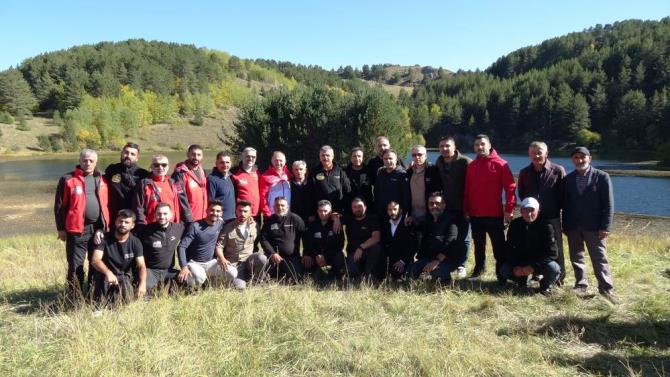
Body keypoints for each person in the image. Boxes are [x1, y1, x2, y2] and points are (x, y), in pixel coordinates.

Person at [54, 148, 110, 299]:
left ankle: (93, 295)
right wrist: (61, 229)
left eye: (91, 160)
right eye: (85, 160)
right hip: (76, 230)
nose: (88, 163)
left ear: (96, 162)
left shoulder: (102, 178)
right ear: (79, 161)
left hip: (98, 229)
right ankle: (75, 297)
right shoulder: (67, 179)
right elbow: (60, 206)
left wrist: (104, 228)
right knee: (75, 265)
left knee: (96, 263)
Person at [563, 147, 616, 300]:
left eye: (582, 157)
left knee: (599, 258)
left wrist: (605, 227)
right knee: (576, 257)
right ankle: (581, 285)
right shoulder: (568, 180)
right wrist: (566, 225)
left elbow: (608, 204)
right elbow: (566, 205)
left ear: (590, 159)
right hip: (573, 226)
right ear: (572, 160)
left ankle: (606, 289)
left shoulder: (602, 177)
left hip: (595, 227)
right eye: (576, 157)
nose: (579, 160)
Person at [463, 134, 516, 280]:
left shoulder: (501, 164)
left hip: (495, 215)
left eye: (482, 144)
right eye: (476, 145)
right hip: (475, 214)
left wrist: (509, 210)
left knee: (498, 248)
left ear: (489, 145)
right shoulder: (472, 166)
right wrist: (466, 209)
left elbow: (510, 188)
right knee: (478, 246)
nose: (479, 147)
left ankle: (502, 274)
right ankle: (479, 270)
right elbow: (467, 190)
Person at [517, 141, 567, 284]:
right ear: (529, 154)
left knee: (556, 247)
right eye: (533, 153)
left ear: (546, 153)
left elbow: (563, 195)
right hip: (532, 218)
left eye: (539, 152)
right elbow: (522, 194)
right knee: (533, 246)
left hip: (552, 216)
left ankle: (559, 278)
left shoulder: (558, 170)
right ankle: (536, 273)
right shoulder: (524, 172)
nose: (536, 155)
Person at [500, 197, 561, 294]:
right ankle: (522, 280)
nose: (528, 214)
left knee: (554, 268)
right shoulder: (515, 224)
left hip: (539, 262)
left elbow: (553, 253)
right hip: (521, 261)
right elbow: (509, 248)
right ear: (521, 211)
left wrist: (533, 267)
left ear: (538, 210)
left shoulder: (546, 226)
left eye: (532, 210)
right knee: (504, 270)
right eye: (525, 210)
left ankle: (545, 285)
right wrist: (516, 266)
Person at [90, 209, 146, 307]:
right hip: (105, 275)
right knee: (100, 303)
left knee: (127, 304)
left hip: (123, 276)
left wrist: (142, 284)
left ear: (132, 225)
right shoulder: (104, 238)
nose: (123, 224)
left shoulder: (136, 242)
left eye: (127, 222)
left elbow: (141, 265)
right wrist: (108, 273)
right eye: (120, 221)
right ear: (116, 222)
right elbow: (95, 260)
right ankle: (98, 307)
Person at [435, 136, 471, 279]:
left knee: (464, 237)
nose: (444, 149)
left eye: (447, 146)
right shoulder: (439, 162)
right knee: (450, 236)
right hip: (448, 207)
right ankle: (450, 261)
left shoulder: (465, 162)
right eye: (442, 146)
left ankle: (462, 265)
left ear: (454, 147)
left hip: (464, 206)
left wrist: (470, 206)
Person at [176, 200, 234, 288]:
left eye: (218, 211)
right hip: (194, 263)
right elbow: (181, 246)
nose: (214, 213)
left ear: (221, 213)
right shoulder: (195, 226)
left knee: (232, 272)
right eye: (212, 210)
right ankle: (191, 288)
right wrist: (183, 266)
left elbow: (235, 221)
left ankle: (212, 285)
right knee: (199, 278)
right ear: (206, 211)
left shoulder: (220, 223)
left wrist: (249, 218)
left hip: (211, 262)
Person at [215, 200, 268, 290]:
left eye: (245, 211)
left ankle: (257, 282)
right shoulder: (228, 227)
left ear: (250, 213)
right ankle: (242, 280)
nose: (242, 214)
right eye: (240, 211)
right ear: (236, 211)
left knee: (262, 258)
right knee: (239, 289)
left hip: (248, 261)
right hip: (234, 264)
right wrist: (222, 258)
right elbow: (219, 246)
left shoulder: (255, 226)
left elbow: (260, 240)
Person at [411, 192, 460, 284]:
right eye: (431, 203)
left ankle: (447, 277)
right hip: (429, 258)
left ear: (444, 205)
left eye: (437, 203)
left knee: (437, 273)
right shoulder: (427, 220)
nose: (434, 206)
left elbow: (449, 244)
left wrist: (436, 261)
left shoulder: (451, 221)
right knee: (412, 271)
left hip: (446, 259)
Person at [138, 202, 184, 292]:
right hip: (151, 270)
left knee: (188, 281)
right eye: (159, 214)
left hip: (169, 270)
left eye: (165, 214)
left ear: (171, 215)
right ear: (155, 215)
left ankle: (167, 289)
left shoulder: (178, 228)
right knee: (143, 288)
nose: (162, 216)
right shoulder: (145, 230)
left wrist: (185, 266)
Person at [133, 154, 192, 225]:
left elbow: (180, 205)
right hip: (151, 227)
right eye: (156, 165)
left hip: (171, 226)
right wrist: (141, 225)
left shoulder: (173, 183)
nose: (160, 168)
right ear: (151, 167)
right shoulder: (145, 184)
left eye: (164, 165)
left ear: (168, 167)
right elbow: (138, 207)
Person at [260, 197, 306, 282]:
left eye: (282, 205)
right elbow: (263, 239)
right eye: (277, 205)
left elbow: (305, 237)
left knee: (296, 279)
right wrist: (272, 253)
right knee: (267, 279)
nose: (280, 207)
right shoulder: (269, 221)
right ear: (273, 207)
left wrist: (307, 254)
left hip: (292, 257)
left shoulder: (295, 219)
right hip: (274, 258)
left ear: (287, 207)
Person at [104, 142, 149, 225]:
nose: (128, 156)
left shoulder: (143, 174)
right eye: (126, 152)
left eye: (132, 154)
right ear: (122, 154)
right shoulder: (112, 169)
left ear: (137, 158)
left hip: (135, 218)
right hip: (114, 217)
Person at [303, 200, 347, 282]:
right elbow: (309, 243)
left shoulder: (336, 224)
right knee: (306, 261)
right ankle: (315, 274)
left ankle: (336, 275)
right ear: (317, 211)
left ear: (330, 211)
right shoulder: (312, 225)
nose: (323, 213)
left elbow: (340, 244)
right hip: (316, 256)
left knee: (340, 256)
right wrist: (317, 255)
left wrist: (325, 256)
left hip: (331, 255)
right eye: (320, 211)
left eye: (325, 211)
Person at [344, 197, 382, 281]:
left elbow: (376, 238)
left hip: (368, 252)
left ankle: (369, 275)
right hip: (353, 254)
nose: (357, 209)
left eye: (359, 206)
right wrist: (336, 219)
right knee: (352, 274)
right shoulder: (349, 220)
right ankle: (361, 273)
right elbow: (333, 215)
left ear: (365, 207)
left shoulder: (372, 219)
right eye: (354, 207)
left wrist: (361, 248)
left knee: (376, 248)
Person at [380, 201, 417, 281]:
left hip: (404, 260)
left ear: (400, 210)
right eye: (390, 210)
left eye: (395, 209)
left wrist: (402, 261)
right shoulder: (385, 224)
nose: (392, 212)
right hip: (390, 260)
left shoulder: (408, 223)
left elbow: (413, 246)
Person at [310, 145, 351, 215]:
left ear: (332, 156)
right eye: (323, 155)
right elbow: (310, 193)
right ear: (319, 157)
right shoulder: (314, 172)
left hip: (337, 212)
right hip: (321, 213)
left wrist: (345, 211)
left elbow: (348, 190)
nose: (325, 158)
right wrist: (312, 213)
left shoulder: (340, 171)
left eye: (327, 155)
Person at [406, 145, 441, 226]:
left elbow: (438, 191)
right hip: (413, 214)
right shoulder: (409, 172)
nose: (417, 157)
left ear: (425, 156)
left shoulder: (433, 170)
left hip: (429, 213)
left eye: (419, 154)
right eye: (414, 155)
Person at [172, 144, 208, 221]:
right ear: (188, 155)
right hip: (189, 217)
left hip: (203, 215)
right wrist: (188, 216)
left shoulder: (202, 170)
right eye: (193, 154)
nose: (196, 157)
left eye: (199, 155)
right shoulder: (180, 173)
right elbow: (181, 196)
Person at [373, 149, 410, 221]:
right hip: (382, 212)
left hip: (396, 214)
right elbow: (377, 192)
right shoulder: (380, 174)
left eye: (390, 158)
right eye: (385, 159)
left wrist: (405, 212)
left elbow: (406, 196)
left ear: (396, 160)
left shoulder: (402, 174)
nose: (388, 161)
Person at [259, 151, 292, 219]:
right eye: (276, 160)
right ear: (272, 161)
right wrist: (267, 213)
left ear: (285, 161)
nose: (278, 163)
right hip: (273, 213)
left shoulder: (288, 173)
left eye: (281, 160)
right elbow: (262, 197)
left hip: (287, 212)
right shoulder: (265, 176)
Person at [231, 147, 261, 218]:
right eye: (248, 156)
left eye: (253, 157)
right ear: (242, 156)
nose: (250, 159)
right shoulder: (234, 173)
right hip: (241, 214)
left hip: (256, 214)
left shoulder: (258, 172)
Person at [207, 151, 236, 222]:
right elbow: (210, 201)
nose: (225, 165)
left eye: (227, 162)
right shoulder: (212, 179)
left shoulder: (229, 177)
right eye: (222, 162)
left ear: (231, 163)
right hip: (220, 220)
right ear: (216, 163)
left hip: (232, 218)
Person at [289, 160, 315, 224]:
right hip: (294, 218)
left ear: (305, 170)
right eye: (296, 169)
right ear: (292, 170)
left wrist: (313, 214)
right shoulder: (289, 184)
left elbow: (315, 198)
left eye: (301, 169)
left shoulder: (312, 182)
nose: (299, 171)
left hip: (310, 218)